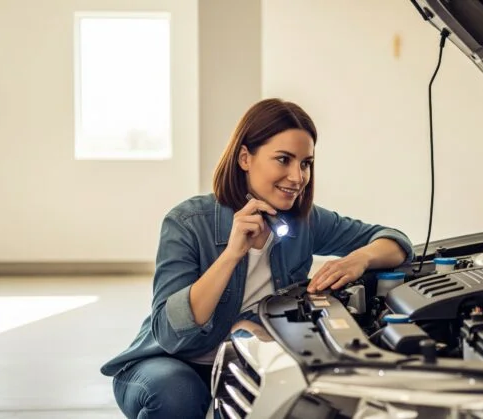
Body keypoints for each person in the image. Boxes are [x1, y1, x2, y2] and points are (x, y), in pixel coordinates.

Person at [100, 98, 414, 419]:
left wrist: (357, 260)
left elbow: (395, 241)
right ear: (245, 158)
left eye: (305, 163)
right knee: (177, 393)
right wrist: (231, 255)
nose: (297, 176)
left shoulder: (305, 221)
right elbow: (170, 332)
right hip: (171, 362)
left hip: (250, 360)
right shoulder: (187, 222)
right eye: (283, 159)